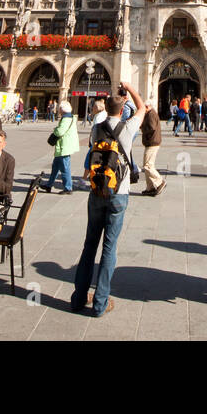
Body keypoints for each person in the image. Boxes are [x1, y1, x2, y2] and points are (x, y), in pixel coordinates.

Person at [72, 82, 146, 317]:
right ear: (122, 107)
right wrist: (131, 89)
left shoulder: (96, 129)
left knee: (88, 244)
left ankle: (78, 298)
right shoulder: (127, 129)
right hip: (118, 193)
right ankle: (100, 302)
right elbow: (142, 108)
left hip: (96, 193)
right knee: (109, 247)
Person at [43, 100, 80, 194]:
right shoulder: (70, 117)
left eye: (59, 108)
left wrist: (55, 130)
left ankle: (68, 188)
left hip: (64, 146)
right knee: (55, 167)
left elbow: (60, 132)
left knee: (65, 167)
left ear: (62, 109)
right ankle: (49, 185)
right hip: (63, 146)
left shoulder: (66, 119)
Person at [138, 90, 166, 196]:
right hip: (151, 142)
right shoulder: (150, 113)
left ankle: (159, 181)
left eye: (143, 107)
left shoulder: (151, 114)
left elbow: (151, 127)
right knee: (147, 165)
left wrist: (142, 127)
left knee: (148, 165)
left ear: (147, 106)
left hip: (152, 142)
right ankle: (150, 188)